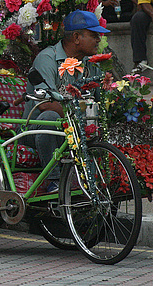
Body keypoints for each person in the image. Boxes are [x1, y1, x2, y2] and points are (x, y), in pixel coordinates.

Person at [22, 10, 109, 192]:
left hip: (73, 128)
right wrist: (81, 116)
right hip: (36, 128)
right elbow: (45, 102)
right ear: (76, 37)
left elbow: (100, 102)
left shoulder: (91, 65)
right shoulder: (48, 59)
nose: (98, 40)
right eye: (93, 35)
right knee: (50, 116)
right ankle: (55, 181)